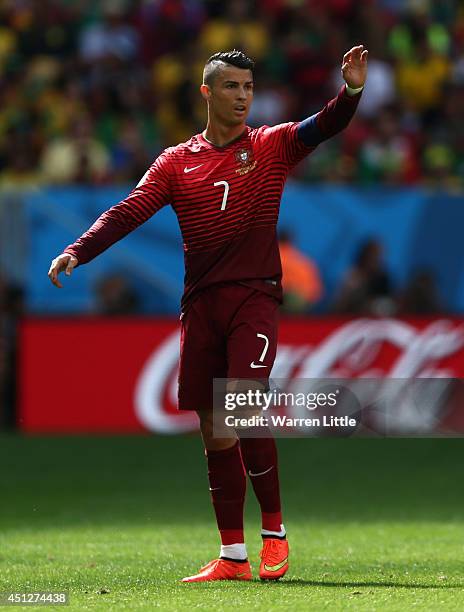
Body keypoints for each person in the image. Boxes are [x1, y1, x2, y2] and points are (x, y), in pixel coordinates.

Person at [48, 46, 368, 582]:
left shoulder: (270, 146)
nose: (243, 97)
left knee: (242, 404)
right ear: (207, 92)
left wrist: (351, 91)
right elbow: (128, 211)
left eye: (248, 87)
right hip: (201, 303)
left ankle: (275, 534)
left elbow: (325, 125)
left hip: (254, 297)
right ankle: (232, 556)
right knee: (215, 428)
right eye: (232, 87)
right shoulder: (176, 162)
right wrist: (78, 250)